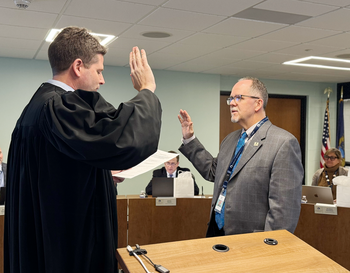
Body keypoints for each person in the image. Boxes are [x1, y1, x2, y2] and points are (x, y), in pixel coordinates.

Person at [4, 26, 162, 273]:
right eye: (98, 70)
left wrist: (100, 175)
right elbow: (127, 140)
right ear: (78, 67)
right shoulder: (60, 106)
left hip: (41, 241)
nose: (102, 79)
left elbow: (55, 173)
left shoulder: (35, 107)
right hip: (68, 249)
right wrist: (147, 91)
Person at [178, 76, 304, 237]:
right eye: (231, 98)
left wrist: (269, 247)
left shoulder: (284, 143)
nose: (231, 103)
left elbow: (284, 212)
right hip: (217, 233)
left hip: (251, 241)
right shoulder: (230, 140)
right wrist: (189, 139)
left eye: (238, 98)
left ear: (258, 103)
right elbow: (213, 172)